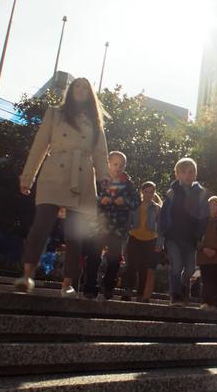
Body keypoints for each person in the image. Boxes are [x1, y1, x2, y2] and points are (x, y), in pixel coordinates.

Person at [17, 77, 109, 296]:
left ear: (90, 94)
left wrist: (103, 177)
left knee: (75, 234)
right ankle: (27, 275)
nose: (80, 90)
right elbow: (39, 145)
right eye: (77, 85)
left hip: (82, 176)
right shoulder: (55, 113)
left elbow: (100, 152)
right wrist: (28, 177)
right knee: (41, 226)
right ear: (70, 90)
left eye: (85, 87)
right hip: (54, 173)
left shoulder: (95, 121)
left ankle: (68, 283)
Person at [83, 151, 139, 300]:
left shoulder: (127, 183)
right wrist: (101, 200)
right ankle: (89, 288)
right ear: (108, 162)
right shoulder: (99, 179)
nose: (118, 167)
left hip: (118, 228)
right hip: (98, 226)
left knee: (114, 260)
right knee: (94, 257)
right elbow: (87, 197)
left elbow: (135, 202)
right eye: (115, 164)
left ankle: (108, 286)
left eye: (121, 165)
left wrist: (124, 201)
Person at [158, 157, 211, 306]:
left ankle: (182, 286)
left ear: (196, 174)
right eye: (185, 172)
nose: (188, 175)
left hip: (191, 238)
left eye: (192, 172)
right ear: (177, 175)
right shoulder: (172, 193)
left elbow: (204, 216)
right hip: (173, 236)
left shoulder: (200, 194)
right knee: (176, 265)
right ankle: (175, 295)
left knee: (189, 268)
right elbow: (164, 214)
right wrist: (162, 236)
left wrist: (200, 236)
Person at [122, 181, 162, 302]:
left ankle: (140, 294)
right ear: (142, 192)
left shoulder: (157, 208)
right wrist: (125, 240)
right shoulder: (135, 205)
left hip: (150, 240)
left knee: (144, 268)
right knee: (131, 266)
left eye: (151, 192)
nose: (148, 194)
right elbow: (127, 223)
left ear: (154, 193)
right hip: (134, 237)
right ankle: (128, 291)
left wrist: (159, 244)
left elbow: (161, 228)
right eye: (146, 192)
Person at [195, 196, 217, 310]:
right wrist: (203, 248)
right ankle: (205, 302)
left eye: (215, 205)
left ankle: (215, 303)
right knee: (206, 280)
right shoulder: (201, 222)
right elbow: (196, 238)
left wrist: (215, 250)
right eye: (210, 204)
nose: (212, 207)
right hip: (203, 256)